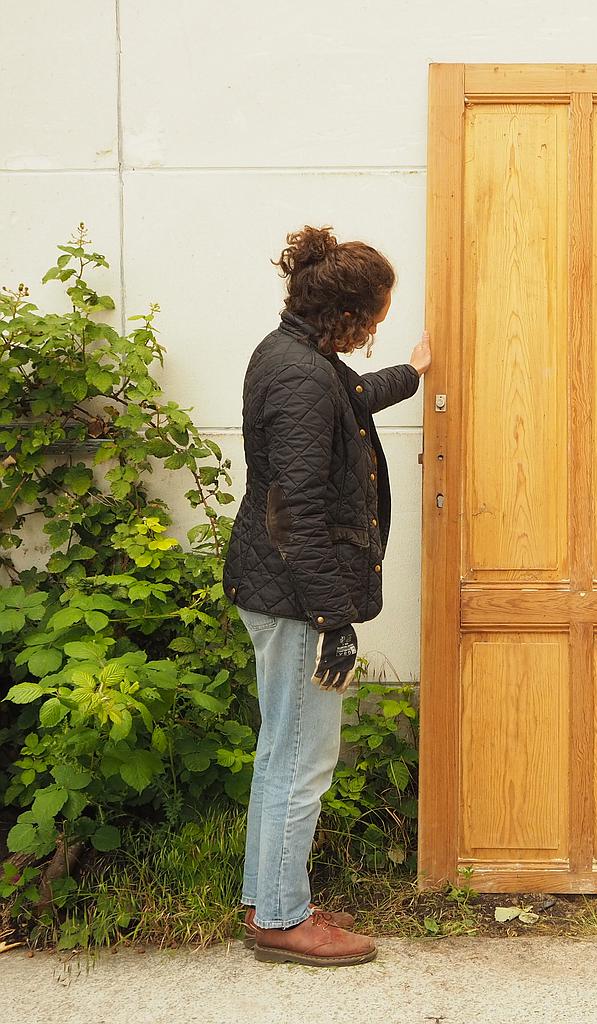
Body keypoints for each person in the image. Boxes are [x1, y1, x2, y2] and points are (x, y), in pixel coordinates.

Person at [223, 225, 431, 967]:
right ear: (346, 312)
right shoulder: (304, 377)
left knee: (281, 748)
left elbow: (357, 396)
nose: (376, 327)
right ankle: (283, 918)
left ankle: (267, 897)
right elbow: (298, 512)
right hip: (298, 598)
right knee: (303, 758)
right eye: (375, 315)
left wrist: (414, 371)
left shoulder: (297, 355)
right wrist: (332, 621)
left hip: (281, 591)